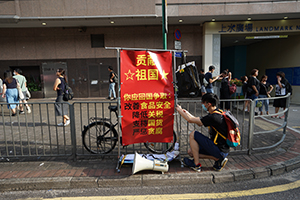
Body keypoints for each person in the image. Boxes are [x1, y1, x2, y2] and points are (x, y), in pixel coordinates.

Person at [175, 93, 229, 172]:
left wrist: (179, 110)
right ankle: (217, 159)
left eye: (203, 102)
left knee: (193, 134)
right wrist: (185, 112)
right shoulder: (218, 112)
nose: (202, 104)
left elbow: (190, 120)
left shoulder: (213, 117)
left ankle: (196, 165)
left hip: (219, 149)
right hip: (221, 149)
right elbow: (197, 121)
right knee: (191, 152)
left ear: (208, 104)